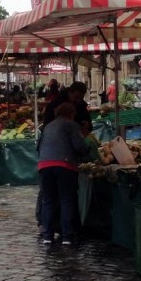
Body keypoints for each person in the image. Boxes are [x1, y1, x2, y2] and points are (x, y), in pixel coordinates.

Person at [37, 102, 89, 246]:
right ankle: (67, 236)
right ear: (71, 114)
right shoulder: (71, 125)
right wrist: (86, 143)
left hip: (44, 165)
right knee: (66, 200)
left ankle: (47, 235)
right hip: (64, 165)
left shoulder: (48, 126)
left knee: (48, 200)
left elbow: (39, 147)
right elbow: (80, 147)